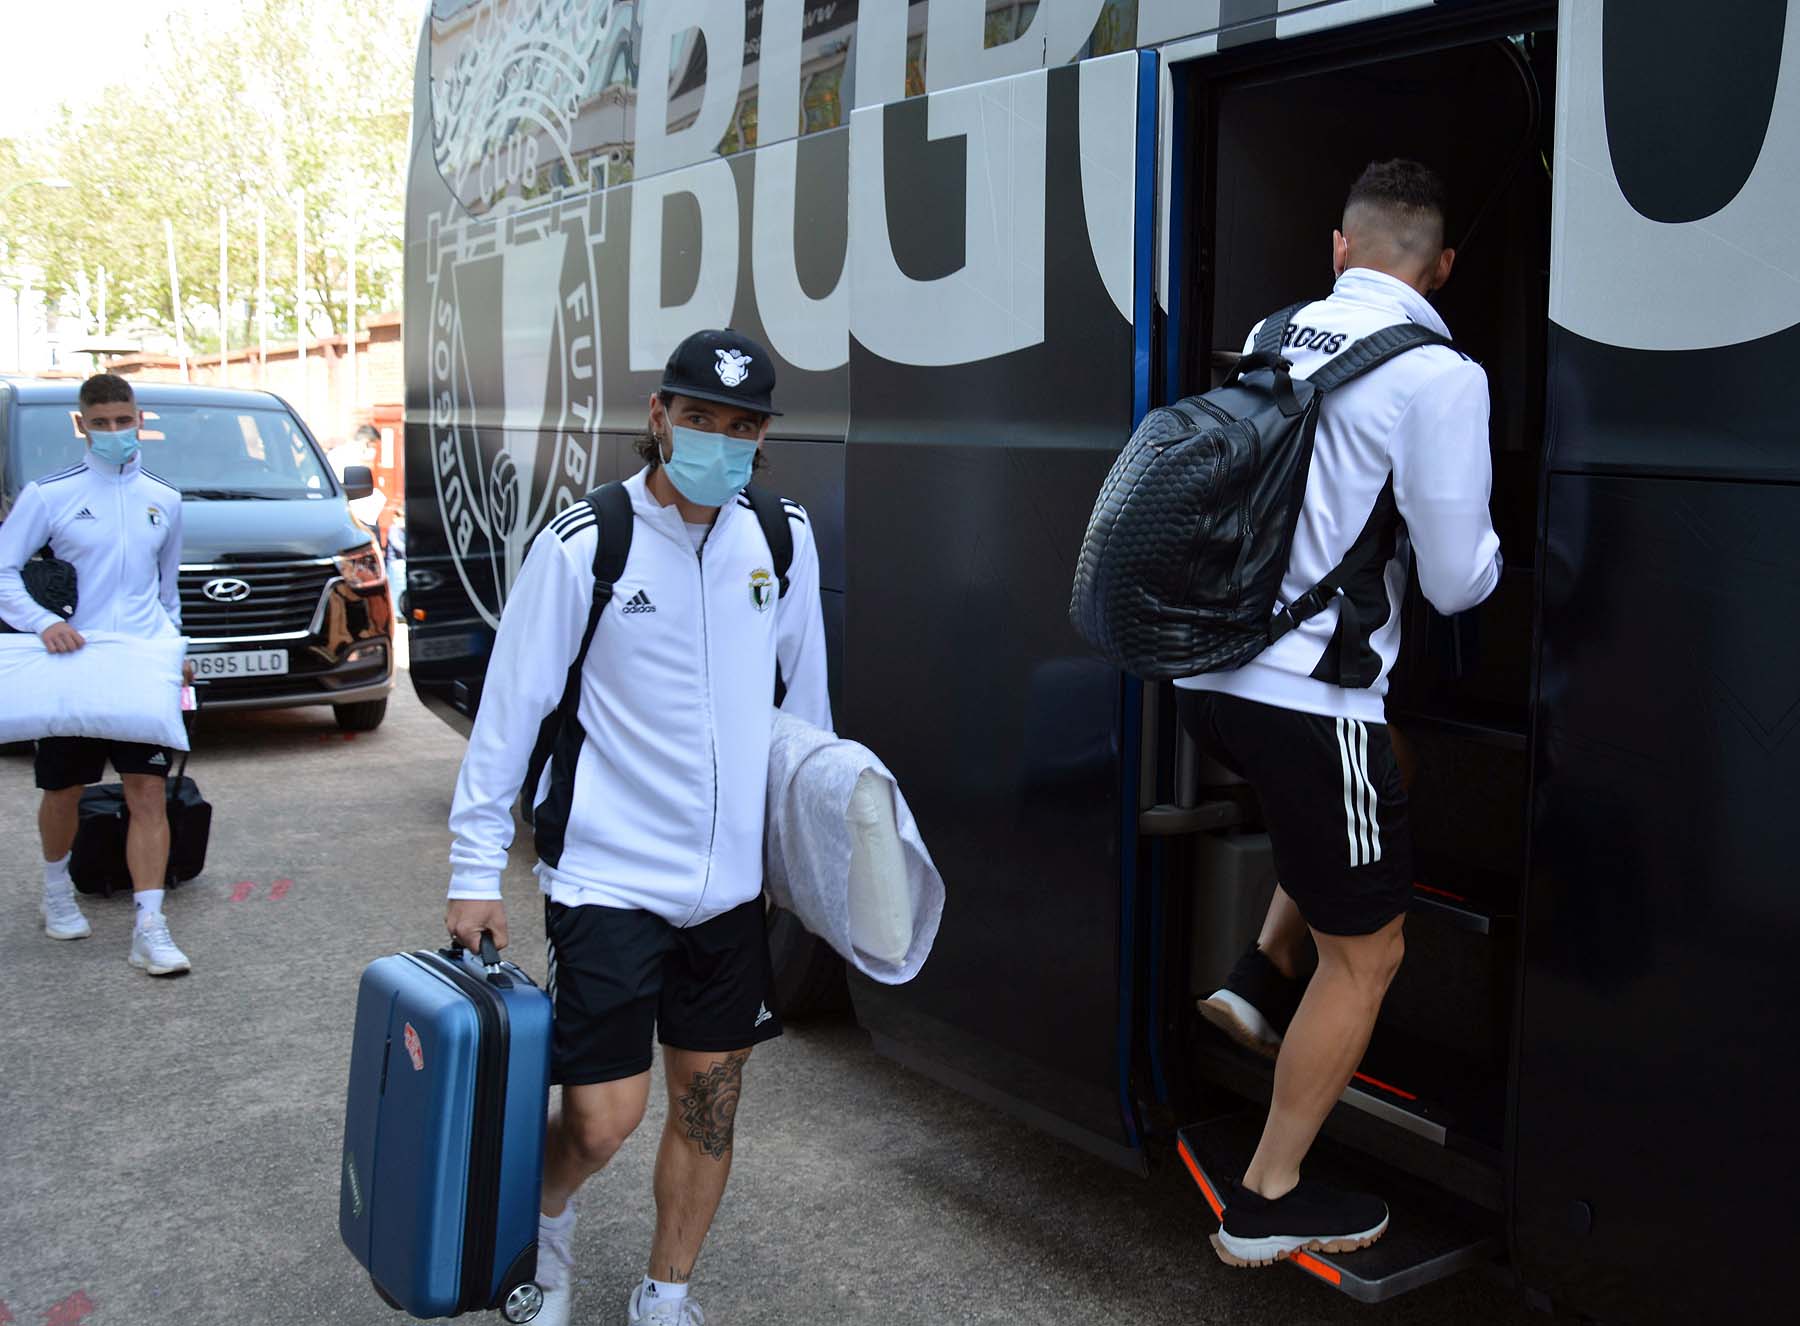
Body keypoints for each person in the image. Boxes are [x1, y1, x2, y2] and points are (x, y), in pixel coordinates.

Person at [443, 329, 831, 1326]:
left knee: (709, 1111)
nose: (718, 440)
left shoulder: (782, 540)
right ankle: (546, 1229)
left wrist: (811, 858)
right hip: (609, 882)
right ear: (659, 417)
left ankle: (666, 1295)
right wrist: (473, 867)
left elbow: (806, 716)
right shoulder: (587, 544)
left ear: (763, 438)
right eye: (700, 417)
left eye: (741, 427)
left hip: (730, 895)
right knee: (601, 1119)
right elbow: (510, 715)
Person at [1175, 160, 1502, 1266]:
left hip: (1209, 680)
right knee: (1369, 958)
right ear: (1442, 268)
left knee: (1385, 768)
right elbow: (1458, 581)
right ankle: (1266, 1197)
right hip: (1311, 700)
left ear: (1338, 250)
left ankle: (1259, 974)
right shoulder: (1440, 374)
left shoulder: (1276, 333)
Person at [0, 372, 194, 975]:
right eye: (102, 423)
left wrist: (176, 649)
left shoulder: (166, 498)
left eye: (124, 419)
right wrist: (40, 623)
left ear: (141, 419)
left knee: (147, 792)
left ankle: (150, 927)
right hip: (72, 663)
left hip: (137, 667)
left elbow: (167, 594)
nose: (115, 432)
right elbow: (3, 571)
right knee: (63, 788)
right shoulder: (49, 495)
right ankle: (57, 889)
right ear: (82, 425)